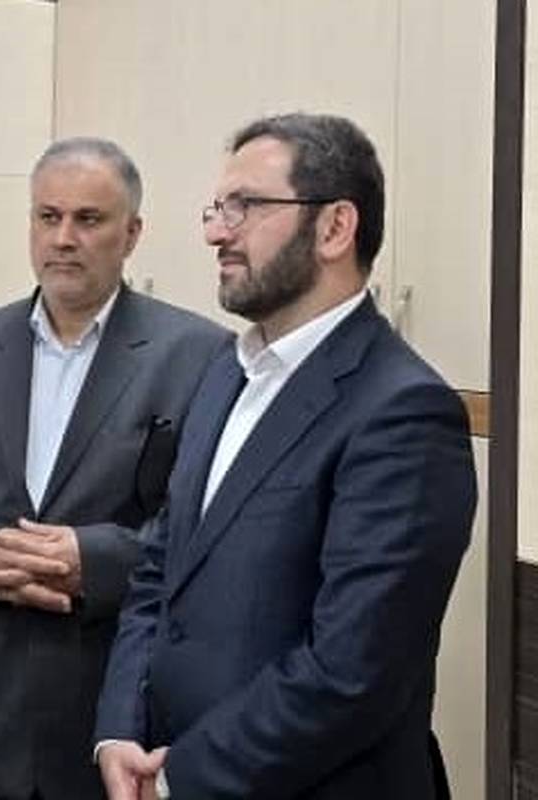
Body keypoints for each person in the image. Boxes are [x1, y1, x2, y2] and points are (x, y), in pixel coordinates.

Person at [95, 113, 476, 800]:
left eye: (245, 206)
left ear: (334, 228)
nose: (216, 232)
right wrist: (120, 730)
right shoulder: (225, 373)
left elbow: (350, 670)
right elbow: (159, 570)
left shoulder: (403, 412)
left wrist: (181, 777)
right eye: (217, 208)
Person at [0, 137, 230, 799]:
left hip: (119, 708)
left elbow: (208, 528)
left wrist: (92, 561)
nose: (64, 238)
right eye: (48, 217)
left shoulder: (199, 356)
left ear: (131, 234)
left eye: (88, 219)